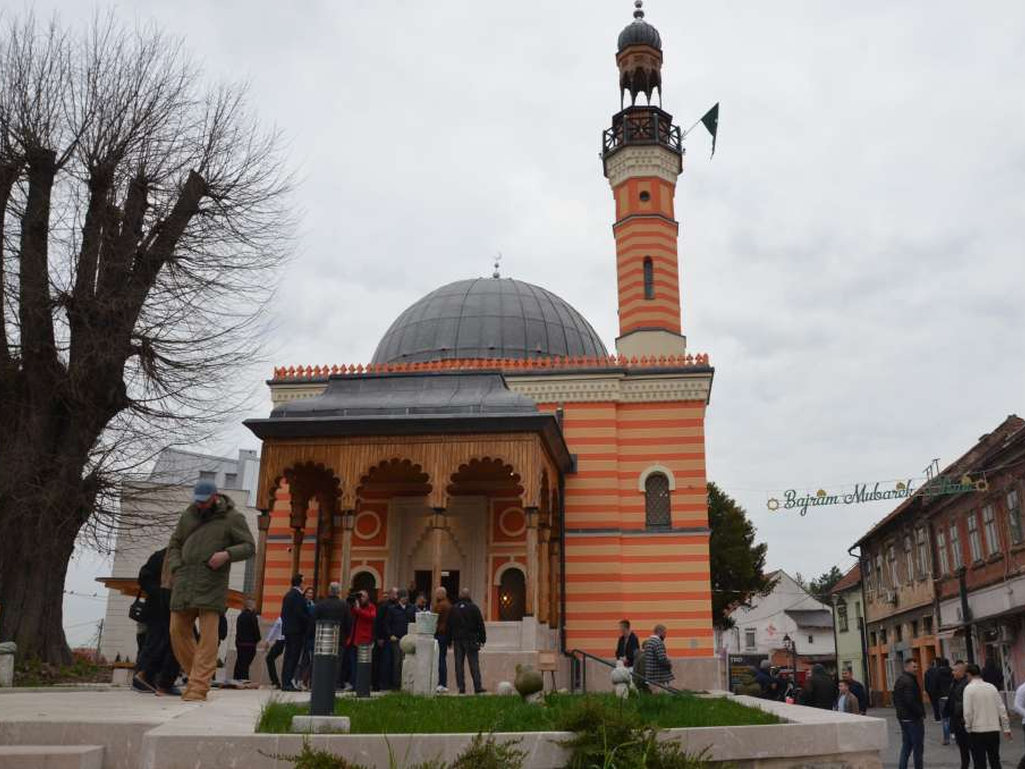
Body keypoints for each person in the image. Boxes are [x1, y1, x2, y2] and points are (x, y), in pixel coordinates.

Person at [167, 479, 255, 702]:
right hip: (185, 581)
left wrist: (226, 554)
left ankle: (198, 686)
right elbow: (175, 543)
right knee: (176, 630)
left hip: (211, 582)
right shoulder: (188, 516)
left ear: (215, 497)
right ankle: (196, 675)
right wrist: (176, 566)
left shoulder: (232, 518)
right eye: (197, 501)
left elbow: (249, 546)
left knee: (208, 637)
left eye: (204, 502)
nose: (200, 505)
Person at [132, 547, 181, 696]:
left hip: (176, 607)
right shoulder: (161, 556)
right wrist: (159, 592)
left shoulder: (186, 556)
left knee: (177, 644)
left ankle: (165, 681)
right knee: (155, 643)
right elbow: (144, 577)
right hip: (157, 607)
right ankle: (143, 678)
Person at [963, 662, 1012, 769]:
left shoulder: (968, 689)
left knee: (979, 762)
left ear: (969, 675)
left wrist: (968, 727)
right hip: (993, 729)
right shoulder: (992, 687)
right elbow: (1002, 709)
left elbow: (968, 712)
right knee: (995, 760)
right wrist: (1006, 728)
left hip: (977, 731)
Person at [313, 581, 353, 685]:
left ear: (329, 591)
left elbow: (314, 621)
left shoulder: (320, 605)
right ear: (339, 592)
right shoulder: (344, 605)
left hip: (322, 638)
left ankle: (321, 683)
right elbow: (349, 623)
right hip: (339, 638)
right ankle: (333, 684)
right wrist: (346, 636)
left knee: (322, 661)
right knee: (337, 662)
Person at [448, 587, 486, 694]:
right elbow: (480, 624)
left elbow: (449, 625)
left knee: (458, 664)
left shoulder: (454, 608)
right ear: (469, 596)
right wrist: (482, 638)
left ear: (460, 596)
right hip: (471, 638)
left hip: (457, 639)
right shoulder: (474, 608)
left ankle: (461, 687)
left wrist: (449, 640)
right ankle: (477, 686)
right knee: (473, 663)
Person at [893, 658, 925, 769]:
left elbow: (895, 699)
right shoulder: (909, 681)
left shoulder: (900, 680)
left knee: (906, 746)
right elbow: (910, 701)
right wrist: (920, 712)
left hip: (903, 718)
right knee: (918, 748)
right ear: (906, 667)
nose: (916, 669)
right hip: (912, 719)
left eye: (917, 666)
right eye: (914, 667)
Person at [279, 574, 309, 692]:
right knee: (293, 657)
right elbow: (300, 614)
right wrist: (310, 621)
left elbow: (283, 614)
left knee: (288, 656)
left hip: (288, 630)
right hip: (296, 631)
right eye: (303, 582)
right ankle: (287, 682)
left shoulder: (288, 595)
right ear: (300, 583)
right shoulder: (297, 596)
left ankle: (285, 681)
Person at [347, 589, 377, 691]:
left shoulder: (371, 607)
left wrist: (358, 609)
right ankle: (354, 683)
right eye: (359, 597)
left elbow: (371, 617)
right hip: (353, 639)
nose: (361, 598)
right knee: (353, 663)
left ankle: (362, 683)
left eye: (363, 596)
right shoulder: (354, 607)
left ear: (367, 598)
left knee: (363, 663)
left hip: (363, 639)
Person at [384, 588, 413, 690]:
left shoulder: (411, 608)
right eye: (404, 597)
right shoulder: (392, 609)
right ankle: (396, 684)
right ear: (400, 598)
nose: (406, 599)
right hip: (396, 639)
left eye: (407, 597)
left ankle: (406, 683)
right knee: (397, 662)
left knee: (407, 661)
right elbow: (387, 623)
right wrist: (390, 634)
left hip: (408, 639)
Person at [945, 661, 972, 769]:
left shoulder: (966, 684)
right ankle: (964, 766)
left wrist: (958, 712)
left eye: (955, 670)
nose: (952, 672)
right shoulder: (954, 682)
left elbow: (964, 703)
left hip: (963, 720)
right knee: (962, 747)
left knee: (970, 747)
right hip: (956, 721)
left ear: (962, 672)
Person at [375, 587, 398, 690]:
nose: (397, 596)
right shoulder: (384, 606)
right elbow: (379, 622)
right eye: (395, 594)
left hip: (393, 637)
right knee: (385, 661)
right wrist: (379, 637)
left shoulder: (396, 606)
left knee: (393, 662)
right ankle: (383, 683)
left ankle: (391, 682)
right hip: (384, 638)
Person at [233, 599, 261, 681]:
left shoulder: (240, 616)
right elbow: (255, 629)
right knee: (246, 663)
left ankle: (236, 677)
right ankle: (244, 678)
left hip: (240, 642)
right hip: (250, 643)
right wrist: (258, 639)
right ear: (251, 606)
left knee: (240, 660)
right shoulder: (252, 616)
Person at [643, 624, 674, 692]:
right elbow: (662, 659)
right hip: (659, 678)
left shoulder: (649, 642)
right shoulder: (658, 642)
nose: (665, 636)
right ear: (660, 632)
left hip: (651, 676)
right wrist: (669, 663)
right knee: (662, 698)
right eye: (664, 633)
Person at [432, 586, 452, 694]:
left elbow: (435, 618)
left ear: (441, 594)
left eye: (437, 594)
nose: (435, 596)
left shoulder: (440, 606)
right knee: (442, 658)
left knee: (440, 659)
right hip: (445, 635)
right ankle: (442, 683)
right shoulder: (449, 604)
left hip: (440, 634)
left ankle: (441, 683)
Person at [936, 657, 955, 746]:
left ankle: (946, 739)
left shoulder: (937, 673)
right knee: (953, 717)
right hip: (951, 697)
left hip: (942, 697)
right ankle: (955, 735)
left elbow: (934, 686)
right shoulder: (952, 672)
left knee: (945, 719)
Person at [263, 615, 285, 689]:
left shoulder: (281, 617)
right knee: (270, 658)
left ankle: (275, 682)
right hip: (285, 640)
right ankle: (277, 681)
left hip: (281, 641)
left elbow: (274, 629)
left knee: (269, 658)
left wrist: (268, 641)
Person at [925, 657, 942, 722]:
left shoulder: (927, 672)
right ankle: (942, 715)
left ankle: (937, 717)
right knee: (940, 703)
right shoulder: (938, 671)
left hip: (931, 691)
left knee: (934, 704)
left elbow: (926, 682)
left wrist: (927, 690)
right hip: (938, 690)